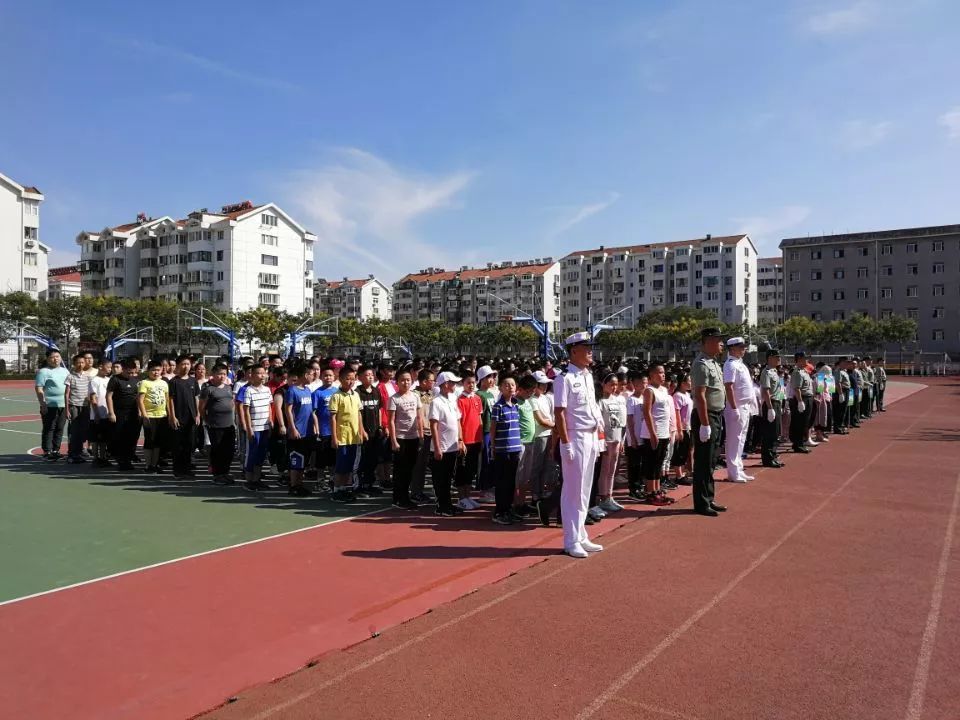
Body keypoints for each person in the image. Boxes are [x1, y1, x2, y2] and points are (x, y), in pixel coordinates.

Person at [553, 332, 605, 556]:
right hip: (576, 437)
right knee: (572, 491)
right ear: (574, 351)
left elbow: (591, 407)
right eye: (587, 347)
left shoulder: (586, 375)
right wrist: (565, 443)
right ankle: (570, 540)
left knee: (585, 490)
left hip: (591, 436)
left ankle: (581, 534)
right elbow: (560, 413)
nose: (591, 351)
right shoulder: (564, 378)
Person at [691, 328, 727, 517]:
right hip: (706, 416)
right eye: (718, 340)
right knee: (704, 462)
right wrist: (705, 424)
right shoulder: (702, 364)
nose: (721, 343)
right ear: (707, 342)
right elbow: (700, 395)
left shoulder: (713, 362)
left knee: (712, 460)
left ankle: (709, 498)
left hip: (715, 415)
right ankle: (701, 502)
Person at [639, 362, 677, 505]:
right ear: (652, 375)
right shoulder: (649, 391)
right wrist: (652, 432)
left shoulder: (663, 390)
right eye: (660, 373)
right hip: (652, 433)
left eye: (663, 373)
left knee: (659, 462)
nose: (663, 375)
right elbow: (646, 411)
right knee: (651, 463)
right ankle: (650, 493)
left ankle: (657, 490)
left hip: (664, 432)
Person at [722, 337, 758, 484]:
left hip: (745, 406)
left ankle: (739, 469)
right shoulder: (730, 365)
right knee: (734, 440)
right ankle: (733, 472)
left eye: (744, 347)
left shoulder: (740, 364)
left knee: (741, 439)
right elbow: (729, 387)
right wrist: (734, 407)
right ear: (732, 349)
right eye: (741, 347)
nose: (744, 349)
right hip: (735, 406)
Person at [429, 370, 464, 516]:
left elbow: (457, 421)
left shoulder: (452, 399)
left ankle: (448, 504)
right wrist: (437, 448)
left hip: (452, 446)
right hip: (441, 447)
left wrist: (461, 440)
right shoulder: (436, 402)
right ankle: (441, 506)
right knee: (440, 479)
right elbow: (434, 426)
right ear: (445, 384)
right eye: (453, 382)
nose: (455, 385)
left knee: (449, 478)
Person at [328, 366, 365, 503]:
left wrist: (361, 431)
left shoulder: (355, 394)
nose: (350, 381)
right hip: (342, 436)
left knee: (350, 466)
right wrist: (334, 437)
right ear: (341, 379)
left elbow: (359, 414)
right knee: (341, 466)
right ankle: (337, 490)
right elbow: (332, 418)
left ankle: (344, 489)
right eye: (347, 378)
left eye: (352, 379)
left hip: (354, 437)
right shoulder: (336, 396)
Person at [490, 374, 523, 525]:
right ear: (501, 388)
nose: (510, 388)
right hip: (502, 449)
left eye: (513, 385)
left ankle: (508, 509)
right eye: (507, 385)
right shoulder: (498, 406)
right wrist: (493, 446)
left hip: (515, 448)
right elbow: (493, 428)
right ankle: (500, 511)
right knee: (502, 481)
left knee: (511, 481)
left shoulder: (516, 405)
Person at [388, 368, 422, 510]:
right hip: (400, 438)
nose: (405, 382)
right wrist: (394, 440)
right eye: (402, 380)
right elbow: (391, 421)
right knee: (400, 470)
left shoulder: (415, 396)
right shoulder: (394, 398)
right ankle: (398, 498)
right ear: (397, 382)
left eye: (408, 380)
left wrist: (420, 435)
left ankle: (405, 497)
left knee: (409, 469)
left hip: (413, 437)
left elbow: (419, 417)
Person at [284, 362, 318, 497]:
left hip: (308, 432)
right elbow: (288, 410)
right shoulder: (292, 390)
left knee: (304, 459)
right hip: (297, 431)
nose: (313, 376)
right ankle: (293, 486)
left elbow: (310, 412)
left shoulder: (307, 390)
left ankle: (300, 484)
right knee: (295, 459)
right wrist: (292, 428)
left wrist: (315, 426)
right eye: (311, 374)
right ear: (305, 375)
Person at [199, 364, 236, 484]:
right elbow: (202, 408)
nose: (222, 376)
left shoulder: (229, 387)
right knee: (217, 451)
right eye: (219, 374)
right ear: (213, 375)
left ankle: (225, 473)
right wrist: (207, 421)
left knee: (229, 451)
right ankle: (217, 475)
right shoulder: (208, 389)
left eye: (224, 374)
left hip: (229, 425)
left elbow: (232, 403)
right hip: (215, 426)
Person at [595, 371, 626, 513]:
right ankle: (603, 498)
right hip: (606, 440)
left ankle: (610, 495)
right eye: (611, 384)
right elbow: (599, 424)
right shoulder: (600, 401)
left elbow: (622, 422)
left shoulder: (618, 400)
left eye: (616, 385)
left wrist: (621, 440)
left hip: (616, 438)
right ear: (604, 385)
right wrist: (602, 443)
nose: (614, 387)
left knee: (612, 469)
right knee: (605, 469)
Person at [167, 355, 200, 479]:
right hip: (178, 418)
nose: (186, 366)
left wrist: (198, 414)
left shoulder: (193, 381)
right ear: (178, 365)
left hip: (191, 418)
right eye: (183, 364)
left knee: (189, 445)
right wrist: (172, 416)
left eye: (188, 364)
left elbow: (196, 398)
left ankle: (187, 469)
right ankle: (178, 470)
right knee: (178, 445)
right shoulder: (174, 382)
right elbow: (170, 400)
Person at [241, 365, 274, 492]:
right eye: (258, 373)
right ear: (252, 375)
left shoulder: (267, 390)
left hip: (265, 427)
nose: (262, 375)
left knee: (261, 454)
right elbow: (246, 411)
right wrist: (249, 429)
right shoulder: (248, 390)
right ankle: (249, 481)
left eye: (263, 373)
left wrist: (270, 420)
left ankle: (257, 479)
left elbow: (269, 407)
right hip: (255, 428)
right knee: (252, 454)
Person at [106, 358, 141, 471]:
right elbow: (109, 396)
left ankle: (129, 459)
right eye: (129, 372)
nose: (131, 374)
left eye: (133, 372)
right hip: (119, 412)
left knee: (132, 436)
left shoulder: (136, 380)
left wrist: (140, 411)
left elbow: (138, 397)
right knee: (120, 436)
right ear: (123, 369)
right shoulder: (115, 379)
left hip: (133, 412)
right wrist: (111, 412)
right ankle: (121, 460)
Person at [456, 372, 484, 510]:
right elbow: (458, 422)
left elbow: (479, 419)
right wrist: (460, 440)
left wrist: (481, 437)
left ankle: (468, 496)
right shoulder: (459, 400)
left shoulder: (477, 399)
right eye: (468, 382)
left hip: (476, 439)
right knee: (463, 469)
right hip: (465, 440)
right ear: (463, 383)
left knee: (471, 470)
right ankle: (461, 498)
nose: (471, 385)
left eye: (473, 382)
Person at [35, 349, 69, 461]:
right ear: (48, 359)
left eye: (58, 356)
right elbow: (39, 388)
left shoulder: (65, 371)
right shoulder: (43, 372)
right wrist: (43, 404)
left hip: (64, 404)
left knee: (60, 428)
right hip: (49, 405)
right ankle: (47, 451)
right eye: (53, 357)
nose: (56, 359)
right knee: (49, 428)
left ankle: (56, 450)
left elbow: (69, 388)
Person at [138, 359, 170, 474]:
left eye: (158, 370)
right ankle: (148, 465)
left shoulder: (164, 383)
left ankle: (154, 464)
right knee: (149, 441)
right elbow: (140, 400)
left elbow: (167, 400)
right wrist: (144, 415)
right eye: (153, 370)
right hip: (150, 416)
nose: (156, 372)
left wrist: (170, 415)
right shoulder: (144, 383)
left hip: (162, 416)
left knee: (158, 442)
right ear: (148, 371)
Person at [355, 365, 382, 495]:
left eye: (371, 374)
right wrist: (362, 430)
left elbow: (380, 410)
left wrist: (381, 426)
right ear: (359, 377)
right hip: (363, 432)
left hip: (375, 431)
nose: (370, 377)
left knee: (373, 459)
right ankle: (359, 486)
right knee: (362, 460)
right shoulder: (357, 392)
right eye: (366, 375)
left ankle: (369, 484)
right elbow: (357, 413)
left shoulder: (376, 391)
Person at [411, 369, 437, 504]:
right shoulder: (414, 394)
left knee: (429, 464)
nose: (433, 383)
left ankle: (424, 491)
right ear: (424, 381)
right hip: (420, 433)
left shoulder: (432, 394)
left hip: (432, 433)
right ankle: (416, 492)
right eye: (432, 381)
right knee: (419, 465)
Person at [758, 349, 786, 468]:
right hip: (771, 403)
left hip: (777, 403)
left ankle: (773, 455)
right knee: (769, 432)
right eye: (776, 357)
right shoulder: (766, 372)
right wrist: (770, 408)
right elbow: (766, 391)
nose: (778, 359)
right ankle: (768, 458)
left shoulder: (776, 372)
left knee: (776, 432)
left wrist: (782, 403)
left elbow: (779, 390)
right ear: (769, 358)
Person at [64, 353, 93, 463]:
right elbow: (66, 394)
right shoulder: (70, 376)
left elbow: (91, 392)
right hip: (74, 406)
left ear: (85, 363)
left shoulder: (88, 377)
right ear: (74, 364)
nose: (80, 364)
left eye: (82, 362)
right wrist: (67, 409)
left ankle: (79, 453)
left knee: (83, 431)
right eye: (78, 363)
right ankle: (72, 455)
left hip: (85, 407)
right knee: (74, 431)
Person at [87, 358, 114, 467]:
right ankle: (95, 458)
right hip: (97, 415)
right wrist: (96, 413)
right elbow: (93, 398)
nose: (110, 369)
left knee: (104, 439)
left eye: (111, 367)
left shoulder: (109, 380)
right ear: (100, 367)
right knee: (95, 439)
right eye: (108, 367)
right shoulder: (94, 380)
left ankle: (103, 458)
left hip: (107, 414)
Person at [789, 351, 814, 453]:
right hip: (802, 398)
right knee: (799, 422)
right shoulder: (797, 372)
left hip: (807, 398)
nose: (807, 360)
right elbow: (797, 388)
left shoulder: (804, 371)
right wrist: (800, 401)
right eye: (805, 358)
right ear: (799, 359)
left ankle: (801, 442)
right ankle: (797, 444)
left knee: (805, 422)